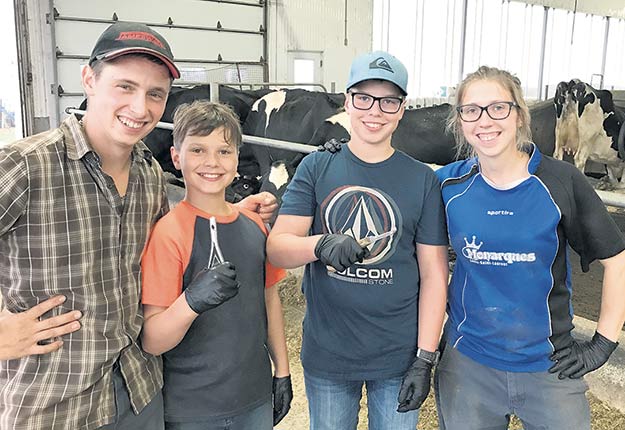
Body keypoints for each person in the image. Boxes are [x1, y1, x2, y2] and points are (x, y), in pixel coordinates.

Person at [0, 22, 277, 430]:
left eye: (155, 94)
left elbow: (178, 231)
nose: (140, 107)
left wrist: (230, 210)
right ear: (89, 79)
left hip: (140, 396)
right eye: (124, 86)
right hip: (54, 405)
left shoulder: (150, 174)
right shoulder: (27, 165)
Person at [434, 65, 625, 429]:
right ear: (460, 121)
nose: (484, 120)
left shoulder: (560, 181)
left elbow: (618, 262)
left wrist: (603, 343)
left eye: (498, 107)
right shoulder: (447, 185)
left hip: (549, 367)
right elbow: (390, 202)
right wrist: (338, 158)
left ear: (519, 115)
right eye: (471, 110)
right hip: (467, 365)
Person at [266, 50, 449, 429]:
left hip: (397, 357)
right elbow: (278, 247)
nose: (374, 111)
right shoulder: (318, 167)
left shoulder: (422, 180)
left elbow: (434, 273)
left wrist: (425, 357)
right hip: (329, 355)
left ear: (402, 110)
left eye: (388, 101)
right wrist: (319, 245)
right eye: (363, 98)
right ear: (347, 102)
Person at [140, 100, 292, 430]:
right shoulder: (169, 233)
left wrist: (282, 370)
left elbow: (270, 300)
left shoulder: (255, 225)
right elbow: (152, 338)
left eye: (224, 151)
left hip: (255, 398)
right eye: (198, 150)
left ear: (239, 159)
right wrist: (191, 302)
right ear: (177, 158)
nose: (212, 162)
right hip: (194, 408)